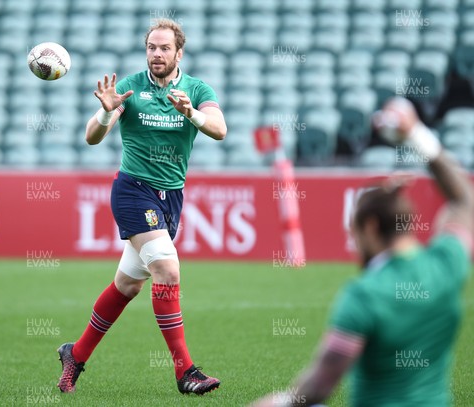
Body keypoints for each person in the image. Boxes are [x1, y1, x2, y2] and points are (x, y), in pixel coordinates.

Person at [250, 97, 473, 406]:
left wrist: (279, 401)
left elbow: (319, 386)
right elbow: (465, 202)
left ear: (369, 227)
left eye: (354, 231)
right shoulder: (446, 264)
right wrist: (416, 134)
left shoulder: (364, 295)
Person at [56, 19, 227, 395]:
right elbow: (91, 137)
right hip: (133, 191)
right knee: (167, 268)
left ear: (179, 52)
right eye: (151, 47)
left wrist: (191, 114)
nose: (156, 54)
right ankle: (186, 372)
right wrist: (105, 112)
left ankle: (75, 354)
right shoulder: (131, 87)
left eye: (164, 48)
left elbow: (219, 128)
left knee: (128, 285)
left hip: (171, 199)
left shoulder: (196, 89)